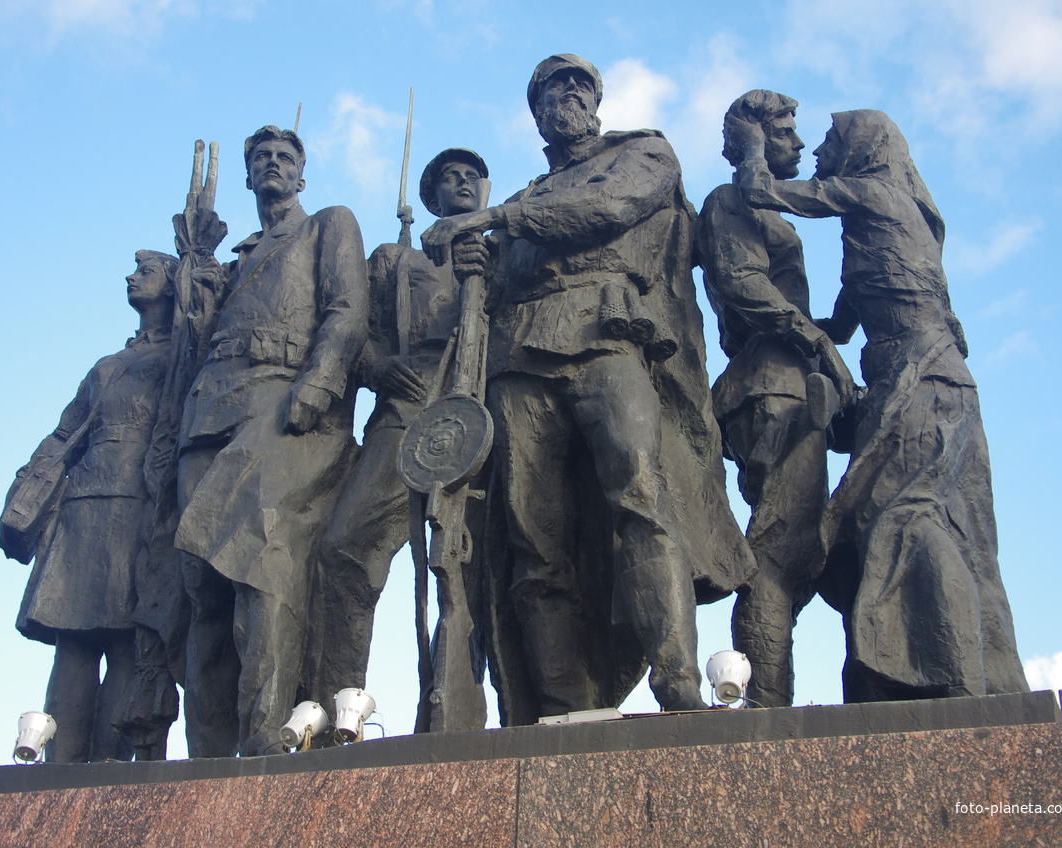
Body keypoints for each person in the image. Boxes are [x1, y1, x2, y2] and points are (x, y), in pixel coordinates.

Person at [422, 55, 753, 722]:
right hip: (520, 358)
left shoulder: (642, 152)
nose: (567, 96)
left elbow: (606, 208)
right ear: (537, 111)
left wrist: (497, 221)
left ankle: (678, 684)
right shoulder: (526, 199)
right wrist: (479, 264)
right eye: (552, 88)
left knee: (640, 493)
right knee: (531, 536)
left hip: (607, 334)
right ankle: (560, 705)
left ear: (597, 102)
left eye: (580, 86)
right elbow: (505, 285)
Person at [734, 109, 1029, 701]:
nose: (817, 151)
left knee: (907, 518)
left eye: (829, 141)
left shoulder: (873, 194)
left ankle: (953, 677)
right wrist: (778, 340)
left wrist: (750, 144)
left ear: (861, 149)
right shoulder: (872, 230)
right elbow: (839, 328)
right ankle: (904, 677)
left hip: (925, 380)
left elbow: (763, 191)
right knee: (897, 528)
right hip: (917, 380)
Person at [174, 125, 368, 756]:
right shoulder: (236, 261)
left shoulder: (328, 224)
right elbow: (193, 339)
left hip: (281, 401)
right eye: (262, 158)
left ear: (301, 174)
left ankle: (268, 730)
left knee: (261, 559)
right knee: (200, 585)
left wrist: (321, 381)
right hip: (207, 413)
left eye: (285, 157)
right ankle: (207, 753)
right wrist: (197, 267)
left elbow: (347, 309)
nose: (273, 165)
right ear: (249, 175)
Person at [306, 148, 490, 721]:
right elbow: (357, 330)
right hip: (406, 409)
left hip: (479, 412)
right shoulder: (394, 258)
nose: (462, 183)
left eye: (472, 176)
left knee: (470, 568)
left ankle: (451, 714)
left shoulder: (500, 253)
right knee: (344, 545)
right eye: (449, 177)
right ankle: (332, 710)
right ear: (432, 197)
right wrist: (378, 367)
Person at [698, 90, 855, 707]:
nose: (799, 143)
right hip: (770, 388)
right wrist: (818, 341)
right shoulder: (731, 199)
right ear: (755, 139)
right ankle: (763, 707)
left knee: (796, 541)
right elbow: (743, 285)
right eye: (784, 132)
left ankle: (767, 696)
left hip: (784, 381)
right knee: (780, 547)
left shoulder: (768, 212)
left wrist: (834, 324)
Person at [1, 250, 179, 762]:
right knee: (73, 646)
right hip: (81, 508)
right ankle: (59, 767)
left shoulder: (182, 353)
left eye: (145, 271)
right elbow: (65, 433)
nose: (131, 277)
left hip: (138, 503)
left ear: (172, 285)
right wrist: (26, 484)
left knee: (126, 642)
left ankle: (110, 768)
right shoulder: (107, 365)